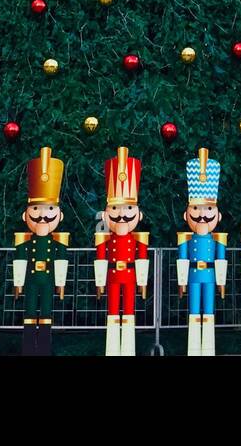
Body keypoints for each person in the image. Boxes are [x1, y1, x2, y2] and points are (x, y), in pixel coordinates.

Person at [12, 146, 69, 356]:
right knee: (29, 312)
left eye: (50, 209)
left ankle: (44, 348)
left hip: (47, 280)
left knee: (46, 312)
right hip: (31, 279)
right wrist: (18, 283)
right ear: (25, 215)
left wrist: (60, 284)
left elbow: (61, 261)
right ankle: (28, 349)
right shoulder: (25, 241)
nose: (43, 215)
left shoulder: (58, 242)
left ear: (59, 215)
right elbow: (19, 261)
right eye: (36, 209)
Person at [94, 147, 149, 357]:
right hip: (112, 275)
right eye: (115, 209)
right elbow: (100, 258)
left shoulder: (138, 238)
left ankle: (128, 349)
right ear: (106, 213)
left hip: (130, 275)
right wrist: (99, 283)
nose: (122, 215)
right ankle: (111, 349)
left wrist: (142, 283)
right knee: (112, 311)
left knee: (129, 310)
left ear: (139, 214)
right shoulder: (105, 237)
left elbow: (142, 258)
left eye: (128, 208)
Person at [177, 148, 228, 356]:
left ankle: (208, 349)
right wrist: (181, 282)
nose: (202, 215)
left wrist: (222, 283)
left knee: (208, 312)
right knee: (193, 312)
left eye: (208, 209)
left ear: (218, 215)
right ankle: (193, 349)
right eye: (196, 209)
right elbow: (182, 260)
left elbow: (221, 261)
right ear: (186, 214)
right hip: (193, 276)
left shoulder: (218, 239)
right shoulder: (185, 238)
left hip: (209, 276)